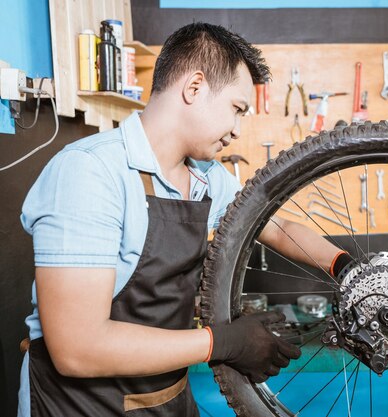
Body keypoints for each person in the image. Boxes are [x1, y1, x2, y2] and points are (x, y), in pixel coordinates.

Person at [17, 23, 352, 416]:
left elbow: (278, 228)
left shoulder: (207, 178)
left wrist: (348, 269)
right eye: (236, 109)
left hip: (166, 398)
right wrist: (222, 343)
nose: (237, 130)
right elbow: (77, 348)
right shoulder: (89, 173)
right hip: (80, 405)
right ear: (194, 87)